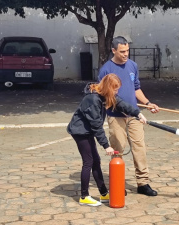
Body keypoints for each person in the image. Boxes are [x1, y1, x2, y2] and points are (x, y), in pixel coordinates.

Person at [67, 73, 147, 206]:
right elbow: (97, 126)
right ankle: (84, 196)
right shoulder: (92, 99)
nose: (116, 92)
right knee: (88, 162)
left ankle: (104, 194)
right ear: (108, 88)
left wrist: (137, 113)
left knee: (96, 161)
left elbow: (121, 104)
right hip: (80, 131)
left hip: (88, 130)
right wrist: (106, 146)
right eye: (115, 90)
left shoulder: (105, 95)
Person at [98, 36, 160, 196]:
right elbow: (107, 96)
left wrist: (147, 103)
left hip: (134, 115)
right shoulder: (106, 70)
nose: (126, 54)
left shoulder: (133, 66)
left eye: (127, 50)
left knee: (140, 148)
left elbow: (136, 88)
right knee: (117, 150)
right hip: (115, 116)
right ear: (113, 50)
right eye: (122, 51)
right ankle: (117, 183)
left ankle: (143, 183)